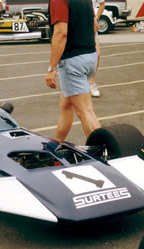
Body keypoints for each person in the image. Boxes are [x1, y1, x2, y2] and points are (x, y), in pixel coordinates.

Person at [45, 0, 101, 143]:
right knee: (66, 105)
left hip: (73, 62)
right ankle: (57, 143)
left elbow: (61, 33)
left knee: (85, 111)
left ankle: (107, 153)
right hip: (90, 57)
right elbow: (95, 25)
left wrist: (52, 68)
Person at [89, 0, 105, 97]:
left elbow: (102, 4)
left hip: (91, 25)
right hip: (77, 25)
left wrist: (96, 17)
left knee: (97, 54)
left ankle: (92, 82)